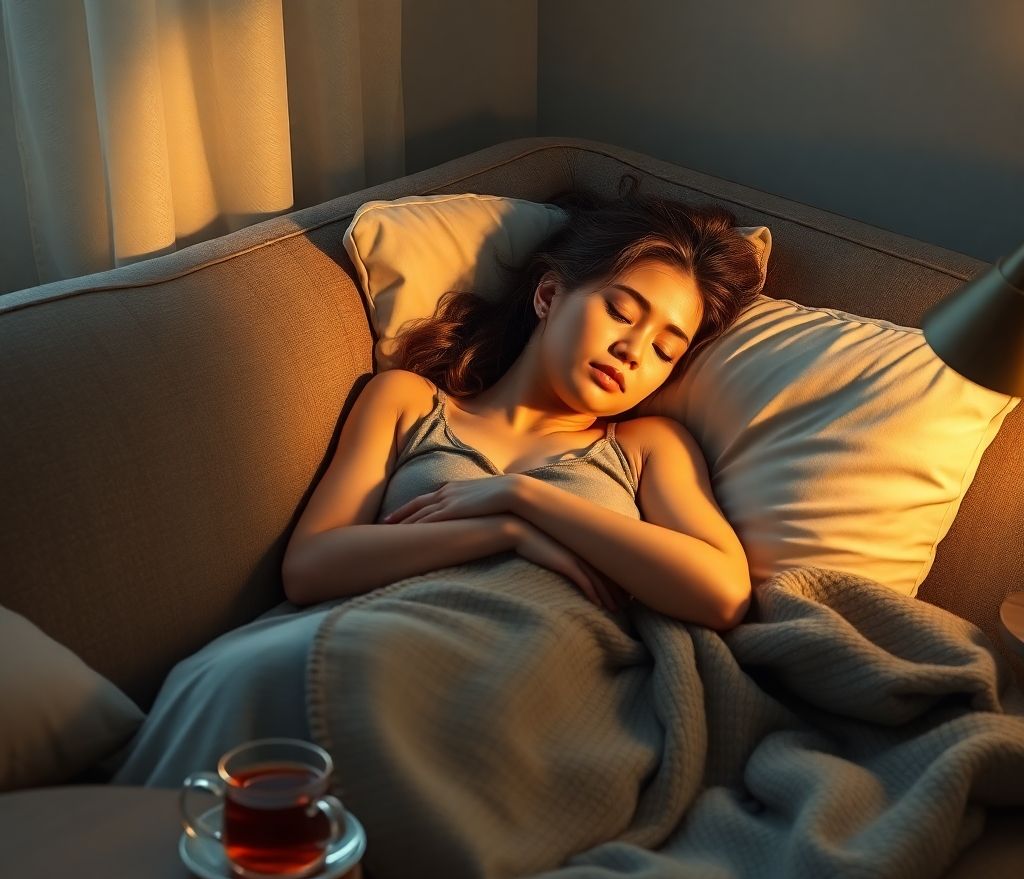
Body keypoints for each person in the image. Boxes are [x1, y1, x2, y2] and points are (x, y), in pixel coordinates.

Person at [108, 172, 762, 789]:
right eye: (623, 311)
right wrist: (499, 531)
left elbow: (723, 592)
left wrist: (525, 498)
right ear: (548, 295)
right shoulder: (408, 402)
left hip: (529, 675)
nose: (634, 350)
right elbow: (312, 565)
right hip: (375, 638)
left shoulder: (644, 446)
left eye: (665, 347)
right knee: (235, 675)